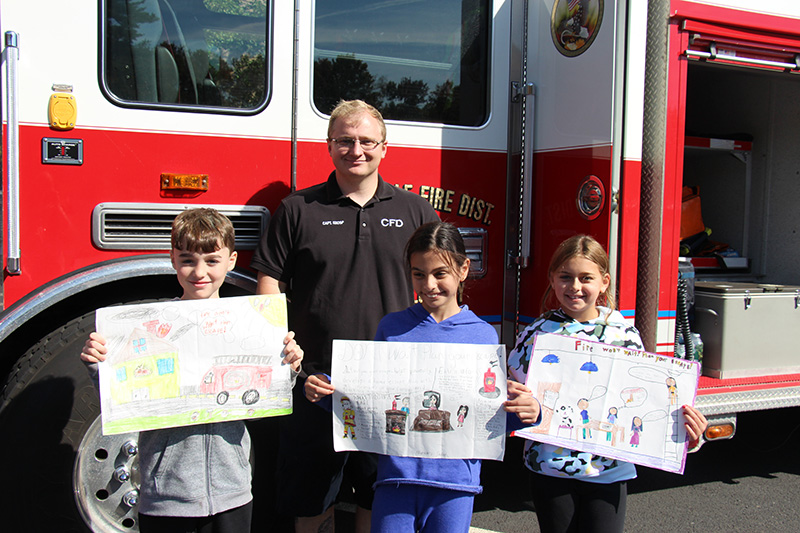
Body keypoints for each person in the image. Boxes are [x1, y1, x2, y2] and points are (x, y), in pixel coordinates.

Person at [250, 99, 439, 532]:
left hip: (392, 385)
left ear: (384, 147)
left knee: (382, 497)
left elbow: (439, 287)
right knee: (313, 501)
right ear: (329, 145)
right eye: (345, 141)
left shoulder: (415, 212)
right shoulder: (299, 209)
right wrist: (281, 354)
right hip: (316, 384)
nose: (356, 150)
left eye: (366, 141)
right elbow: (271, 283)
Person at [306, 221, 541, 532]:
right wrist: (325, 392)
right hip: (395, 481)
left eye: (439, 273)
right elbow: (367, 399)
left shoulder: (482, 335)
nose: (429, 284)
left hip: (456, 486)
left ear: (464, 269)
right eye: (419, 274)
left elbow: (487, 415)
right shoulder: (392, 328)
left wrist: (528, 412)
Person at [80, 208, 304, 533]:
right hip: (165, 499)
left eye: (212, 261)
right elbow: (127, 395)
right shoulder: (149, 330)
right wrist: (99, 364)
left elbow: (256, 411)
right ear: (172, 259)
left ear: (231, 260)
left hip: (233, 494)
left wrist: (288, 368)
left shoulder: (249, 328)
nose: (200, 272)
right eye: (187, 260)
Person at [507, 234, 708, 533]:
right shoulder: (535, 334)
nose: (575, 287)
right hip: (549, 468)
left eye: (585, 278)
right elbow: (514, 394)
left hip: (609, 472)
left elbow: (646, 401)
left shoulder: (625, 335)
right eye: (565, 277)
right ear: (552, 278)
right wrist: (517, 402)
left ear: (604, 282)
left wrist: (687, 434)